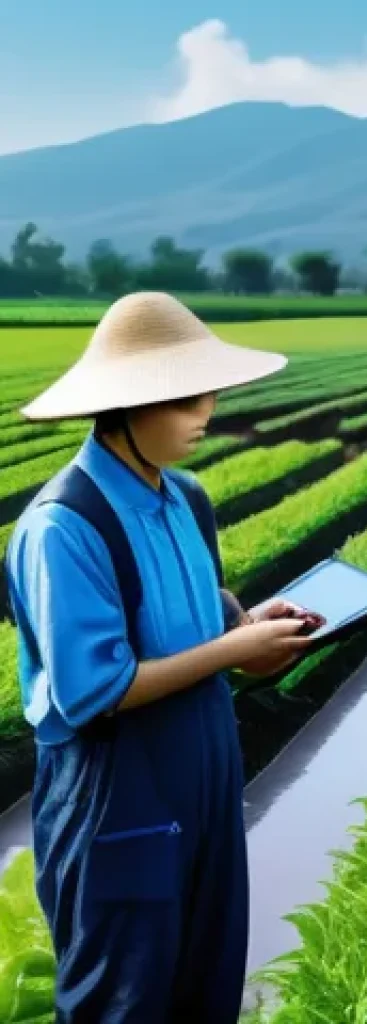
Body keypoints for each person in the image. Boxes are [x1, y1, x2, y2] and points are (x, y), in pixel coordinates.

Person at [3, 291, 316, 1022]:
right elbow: (93, 692)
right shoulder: (64, 526)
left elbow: (202, 614)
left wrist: (251, 632)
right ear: (124, 406)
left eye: (207, 392)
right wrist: (233, 650)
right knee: (125, 1001)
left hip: (204, 775)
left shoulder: (186, 498)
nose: (205, 411)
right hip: (115, 796)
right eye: (183, 399)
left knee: (206, 990)